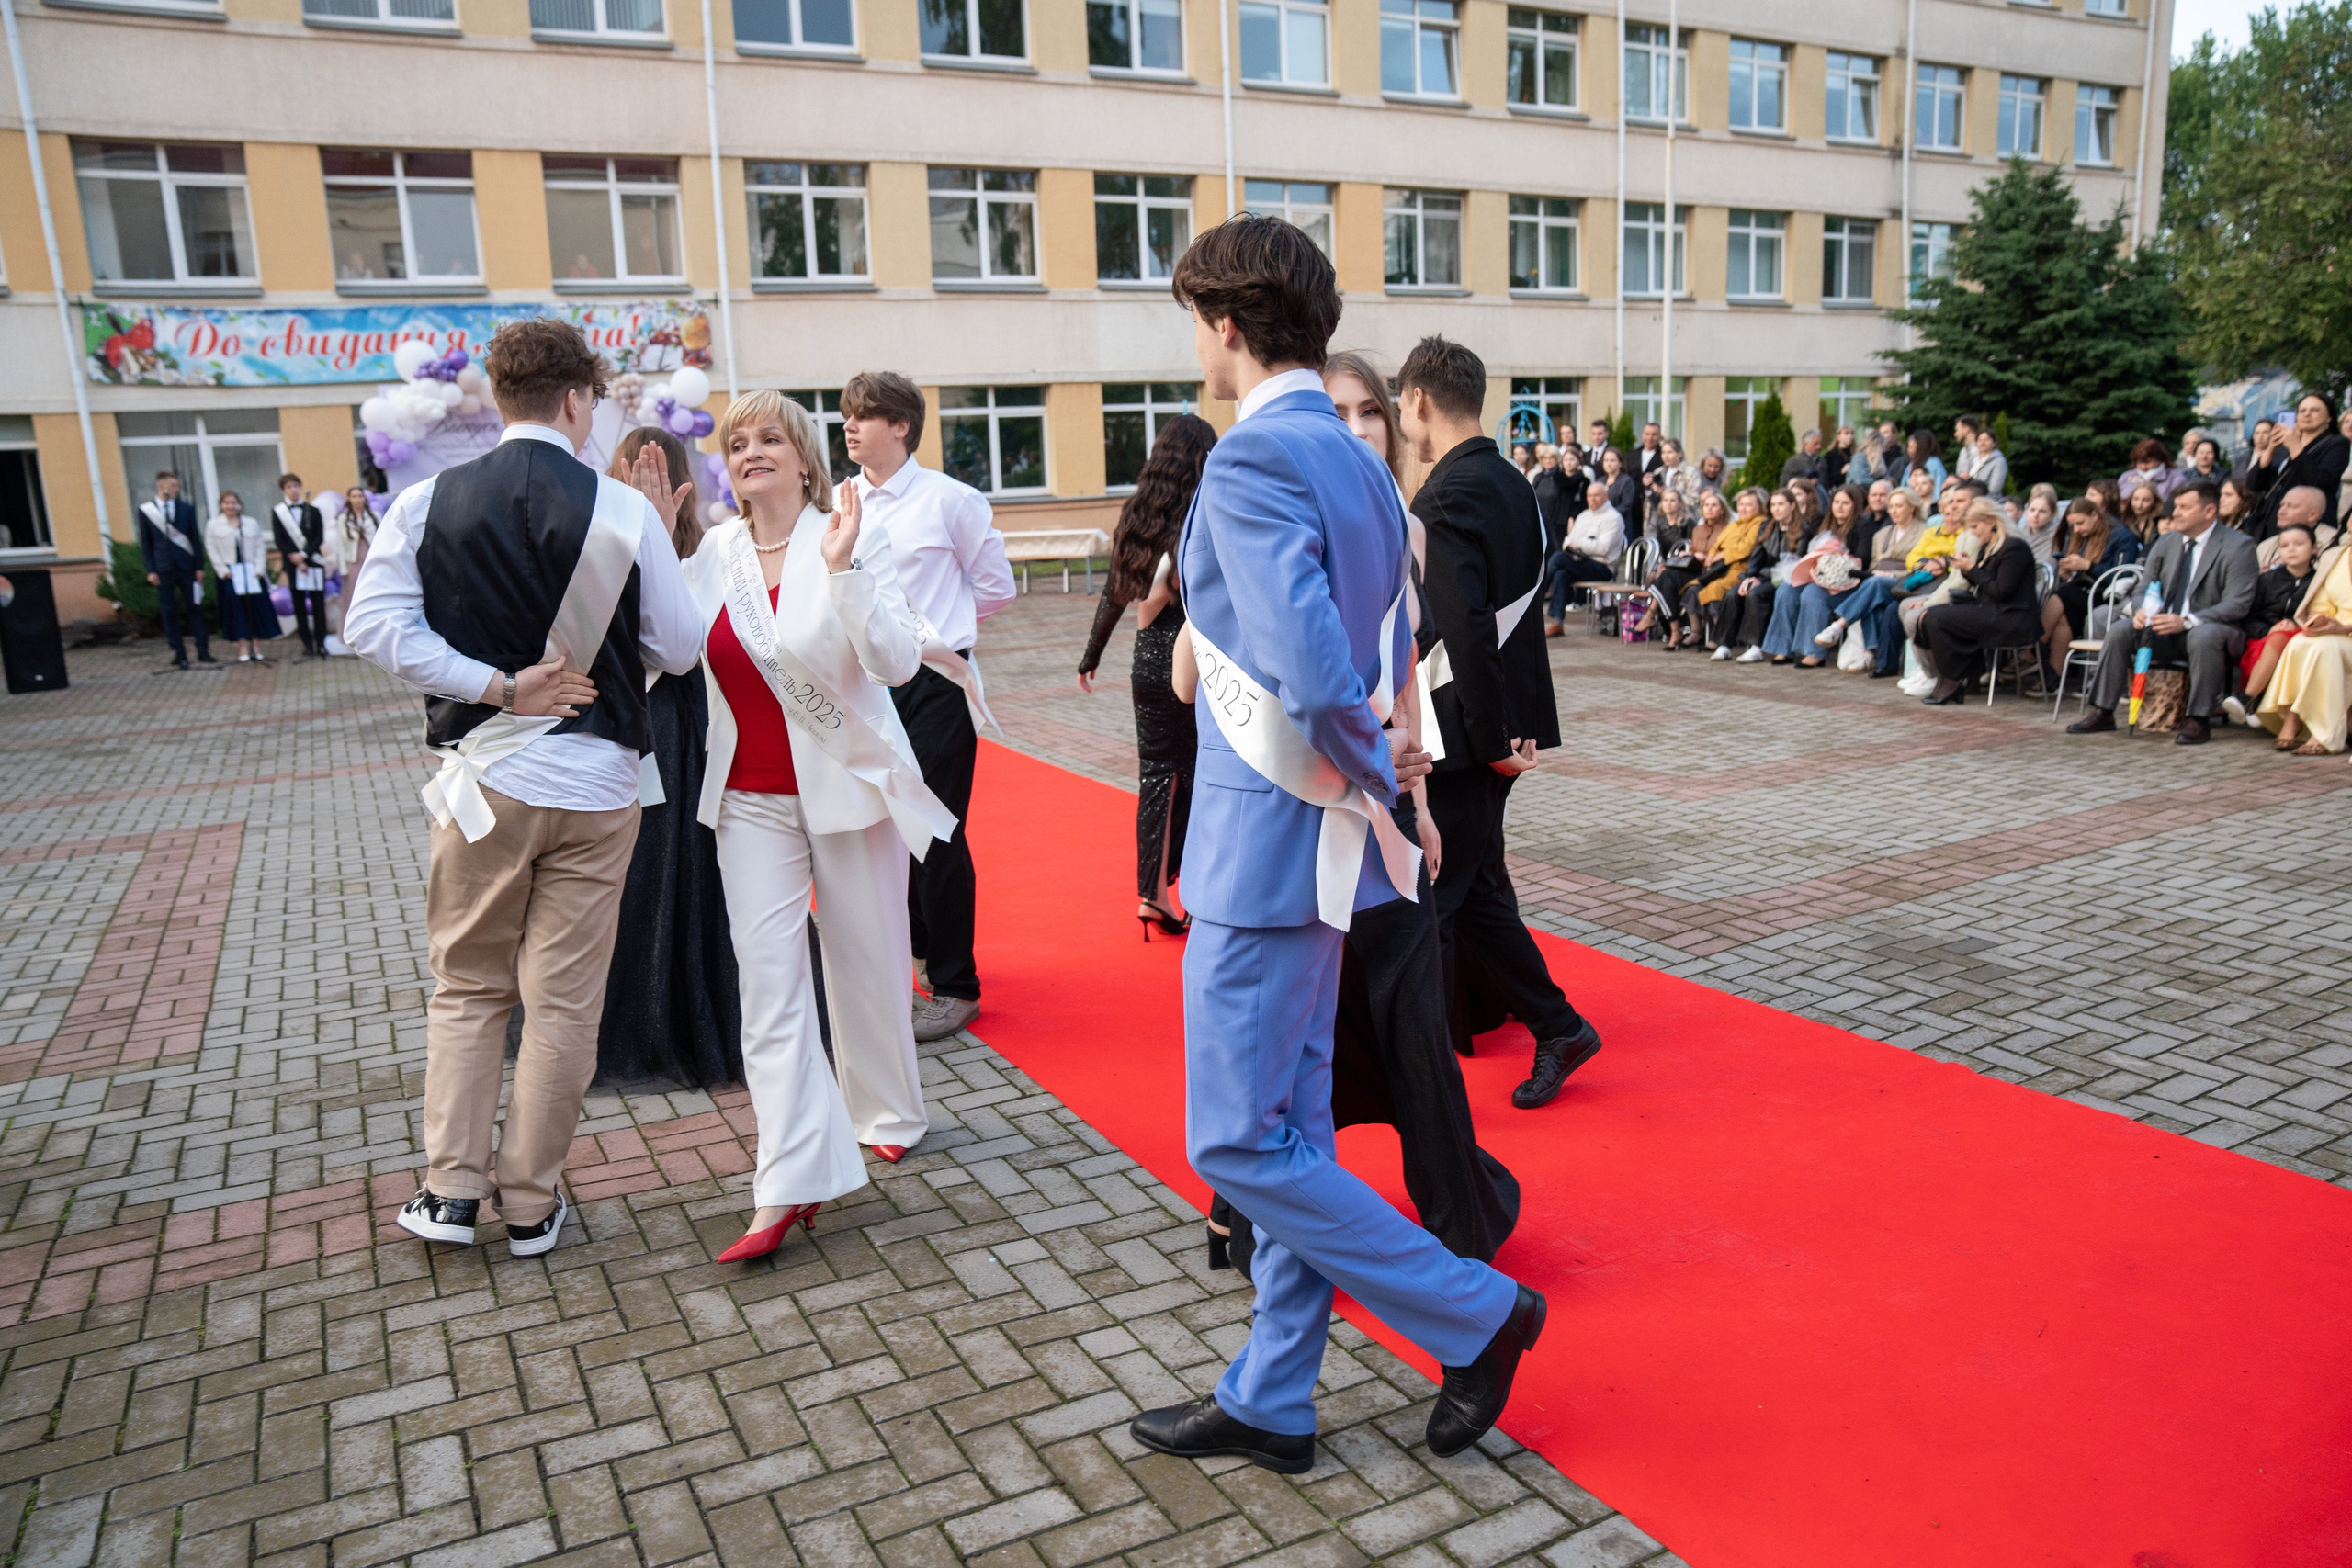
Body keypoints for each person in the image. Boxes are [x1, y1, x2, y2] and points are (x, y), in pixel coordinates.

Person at [1129, 220, 1544, 1477]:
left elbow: (1315, 677)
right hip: (1327, 854)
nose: (1194, 345)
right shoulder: (1362, 461)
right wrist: (1385, 778)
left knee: (1234, 1142)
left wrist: (1377, 768)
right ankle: (1272, 1394)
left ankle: (1476, 1311)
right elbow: (1378, 644)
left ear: (1225, 325)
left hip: (1266, 852)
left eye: (1194, 323)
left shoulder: (1253, 458)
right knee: (1293, 1138)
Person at [345, 317, 702, 1258]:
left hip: (488, 781)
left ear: (501, 397)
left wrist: (497, 686)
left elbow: (372, 628)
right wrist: (652, 542)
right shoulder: (625, 511)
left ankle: (451, 1195)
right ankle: (533, 1204)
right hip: (600, 786)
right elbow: (678, 647)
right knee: (564, 1004)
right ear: (577, 400)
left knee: (469, 988)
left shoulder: (425, 502)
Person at [684, 390, 955, 1258]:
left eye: (770, 437)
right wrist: (648, 541)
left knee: (866, 957)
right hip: (747, 798)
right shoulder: (714, 554)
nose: (751, 452)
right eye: (737, 443)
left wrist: (843, 573)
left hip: (847, 782)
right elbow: (668, 647)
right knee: (769, 986)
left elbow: (897, 661)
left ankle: (888, 1110)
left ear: (803, 457)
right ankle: (791, 1174)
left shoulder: (847, 533)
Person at [1398, 335, 1600, 1102]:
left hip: (1467, 733)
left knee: (1437, 901)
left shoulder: (1444, 497)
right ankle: (1558, 1026)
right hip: (1504, 719)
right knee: (1476, 889)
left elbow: (1466, 631)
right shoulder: (1514, 483)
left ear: (1417, 399)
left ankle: (1421, 1077)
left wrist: (1488, 744)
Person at [838, 371, 1016, 1043]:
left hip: (935, 683)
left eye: (863, 415)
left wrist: (939, 631)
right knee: (880, 827)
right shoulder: (839, 501)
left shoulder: (951, 500)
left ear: (901, 425)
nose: (849, 426)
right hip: (865, 683)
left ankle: (956, 985)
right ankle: (913, 950)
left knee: (936, 829)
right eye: (846, 415)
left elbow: (995, 587)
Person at [594, 428, 744, 1092]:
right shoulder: (599, 543)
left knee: (696, 858)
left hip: (687, 720)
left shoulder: (711, 551)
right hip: (649, 720)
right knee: (648, 862)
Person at [1079, 413, 1216, 936]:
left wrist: (1091, 654)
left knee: (1157, 776)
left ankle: (1152, 893)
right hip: (1190, 663)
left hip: (1145, 664)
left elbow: (1115, 591)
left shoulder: (1137, 512)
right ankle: (1188, 887)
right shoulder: (1202, 513)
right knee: (1200, 776)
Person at [2067, 480, 2256, 746]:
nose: (2175, 513)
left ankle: (2198, 719)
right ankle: (2103, 711)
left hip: (2213, 629)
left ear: (2209, 511)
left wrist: (2187, 621)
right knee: (2120, 631)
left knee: (2202, 636)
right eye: (2176, 506)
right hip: (2162, 625)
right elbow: (2143, 587)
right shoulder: (2166, 542)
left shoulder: (2238, 546)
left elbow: (2238, 603)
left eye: (2184, 507)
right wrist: (2141, 610)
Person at [1917, 498, 2041, 704]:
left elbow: (2001, 591)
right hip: (1992, 610)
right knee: (1927, 616)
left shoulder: (2014, 548)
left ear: (1991, 521)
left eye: (1975, 526)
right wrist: (1966, 569)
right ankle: (1953, 679)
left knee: (1934, 619)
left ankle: (1953, 680)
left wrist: (1972, 569)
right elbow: (1982, 585)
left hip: (2012, 617)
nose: (1973, 533)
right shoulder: (1990, 546)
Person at [2256, 530, 2352, 753]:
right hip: (2336, 632)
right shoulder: (2336, 556)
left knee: (2326, 649)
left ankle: (2325, 736)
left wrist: (2343, 628)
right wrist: (2321, 620)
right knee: (2299, 642)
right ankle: (2292, 718)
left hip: (2344, 635)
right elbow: (2321, 603)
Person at [2226, 520, 2319, 726]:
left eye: (2299, 544)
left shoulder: (2318, 581)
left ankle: (2248, 699)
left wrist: (2297, 625)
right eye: (2285, 546)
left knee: (2286, 641)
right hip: (2264, 639)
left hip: (2302, 638)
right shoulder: (2266, 580)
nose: (2291, 550)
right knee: (2276, 638)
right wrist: (2269, 630)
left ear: (2314, 548)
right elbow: (2250, 618)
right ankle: (2257, 702)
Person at [2245, 392, 2349, 543]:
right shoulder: (2286, 445)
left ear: (2329, 417)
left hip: (2306, 529)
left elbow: (2319, 481)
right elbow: (2253, 484)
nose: (2307, 414)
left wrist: (2295, 447)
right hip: (2271, 523)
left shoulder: (2337, 443)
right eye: (2302, 411)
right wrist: (2270, 450)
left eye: (2314, 410)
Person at [136, 471, 213, 671]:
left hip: (187, 567)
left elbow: (195, 539)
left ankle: (203, 649)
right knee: (169, 611)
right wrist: (151, 570)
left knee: (195, 608)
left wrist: (199, 566)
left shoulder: (186, 509)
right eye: (173, 486)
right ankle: (178, 652)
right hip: (163, 568)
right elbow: (146, 543)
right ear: (161, 486)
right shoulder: (146, 511)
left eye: (177, 486)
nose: (177, 489)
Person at [1643, 486, 1728, 649]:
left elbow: (1728, 553)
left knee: (1667, 578)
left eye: (1714, 505)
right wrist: (1690, 554)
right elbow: (1694, 551)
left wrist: (1703, 556)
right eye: (1706, 505)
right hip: (1697, 570)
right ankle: (1680, 630)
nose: (1709, 509)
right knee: (1666, 576)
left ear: (1722, 509)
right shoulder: (1698, 530)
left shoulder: (1727, 530)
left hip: (1716, 573)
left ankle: (1661, 622)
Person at [203, 490, 277, 664]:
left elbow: (260, 547)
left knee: (254, 609)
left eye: (233, 503)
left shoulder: (250, 523)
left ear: (239, 504)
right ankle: (242, 645)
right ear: (221, 505)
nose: (230, 506)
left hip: (250, 571)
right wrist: (223, 570)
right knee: (236, 610)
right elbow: (211, 549)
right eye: (227, 503)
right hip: (230, 572)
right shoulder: (214, 524)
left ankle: (256, 646)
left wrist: (259, 569)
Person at [1544, 481, 1623, 631]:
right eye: (1589, 496)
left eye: (1596, 495)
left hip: (1603, 567)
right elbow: (1567, 541)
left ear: (1606, 496)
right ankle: (1557, 623)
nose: (1592, 499)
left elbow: (1603, 548)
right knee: (1561, 574)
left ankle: (1539, 592)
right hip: (1579, 562)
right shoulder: (1584, 516)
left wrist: (1579, 543)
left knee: (1559, 558)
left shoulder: (1613, 517)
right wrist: (1580, 543)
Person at [273, 475, 330, 659]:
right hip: (293, 565)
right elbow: (279, 539)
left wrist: (304, 555)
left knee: (318, 604)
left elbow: (319, 537)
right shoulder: (278, 512)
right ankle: (307, 644)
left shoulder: (312, 511)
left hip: (313, 562)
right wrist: (296, 559)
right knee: (299, 605)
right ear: (284, 490)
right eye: (289, 487)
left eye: (296, 486)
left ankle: (321, 643)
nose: (293, 490)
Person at [325, 487, 379, 645]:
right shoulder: (343, 519)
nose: (357, 499)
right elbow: (340, 545)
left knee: (372, 597)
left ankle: (373, 634)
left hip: (370, 560)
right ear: (349, 499)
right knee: (351, 599)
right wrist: (342, 567)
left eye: (360, 496)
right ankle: (349, 635)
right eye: (354, 496)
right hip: (352, 562)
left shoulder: (374, 516)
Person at [2117, 437, 2188, 511]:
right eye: (2139, 462)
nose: (2143, 467)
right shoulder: (2126, 477)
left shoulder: (2175, 479)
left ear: (2159, 459)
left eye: (2147, 462)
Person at [1600, 445, 1643, 540]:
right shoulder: (1600, 481)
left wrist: (1607, 515)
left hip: (1620, 525)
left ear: (1620, 463)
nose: (1609, 464)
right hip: (1601, 526)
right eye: (1606, 461)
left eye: (1612, 461)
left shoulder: (1626, 481)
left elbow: (1626, 505)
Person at [1969, 427, 2008, 498]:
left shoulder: (1999, 461)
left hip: (1988, 500)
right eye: (1980, 440)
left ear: (1994, 443)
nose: (1982, 443)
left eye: (1986, 440)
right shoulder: (1972, 460)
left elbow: (1995, 489)